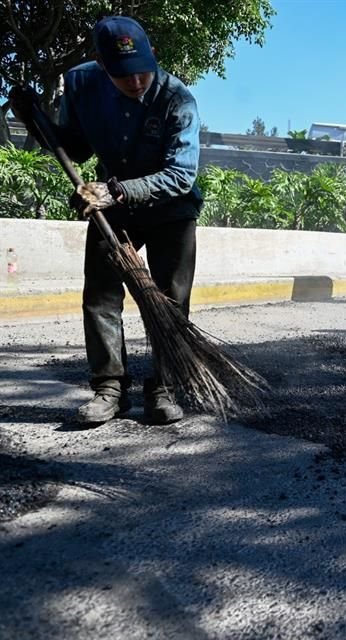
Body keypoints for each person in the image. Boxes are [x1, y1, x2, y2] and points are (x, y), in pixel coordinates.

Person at [11, 16, 203, 425]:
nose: (135, 82)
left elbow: (181, 175)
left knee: (171, 299)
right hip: (111, 204)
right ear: (101, 65)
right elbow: (76, 149)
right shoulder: (81, 84)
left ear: (153, 56)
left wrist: (116, 191)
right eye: (123, 74)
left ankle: (164, 387)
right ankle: (109, 388)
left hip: (170, 207)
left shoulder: (177, 99)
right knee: (100, 295)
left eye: (142, 71)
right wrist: (35, 120)